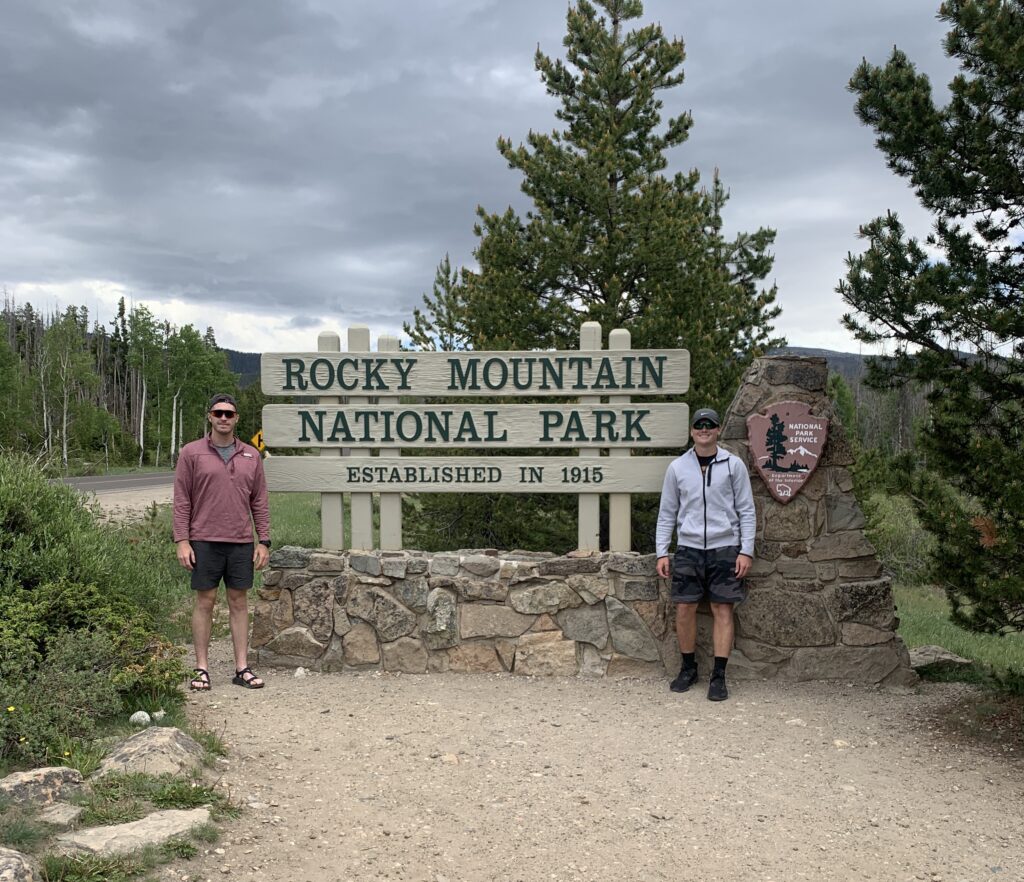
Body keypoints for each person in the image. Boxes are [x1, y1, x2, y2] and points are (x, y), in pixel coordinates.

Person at [655, 408, 755, 701]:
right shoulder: (677, 468)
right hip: (688, 548)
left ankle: (719, 676)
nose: (704, 429)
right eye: (699, 425)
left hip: (725, 548)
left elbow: (746, 511)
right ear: (692, 431)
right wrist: (662, 551)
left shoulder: (733, 466)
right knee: (684, 609)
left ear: (718, 429)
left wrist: (746, 550)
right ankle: (688, 669)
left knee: (722, 610)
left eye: (709, 424)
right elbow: (667, 513)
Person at [173, 393, 271, 691]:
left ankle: (241, 668)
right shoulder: (191, 453)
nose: (224, 418)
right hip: (203, 540)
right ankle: (201, 668)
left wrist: (263, 540)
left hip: (241, 540)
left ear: (237, 418)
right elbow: (181, 501)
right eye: (219, 413)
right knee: (205, 602)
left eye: (229, 414)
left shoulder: (251, 455)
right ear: (210, 416)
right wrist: (182, 540)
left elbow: (260, 501)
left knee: (239, 602)